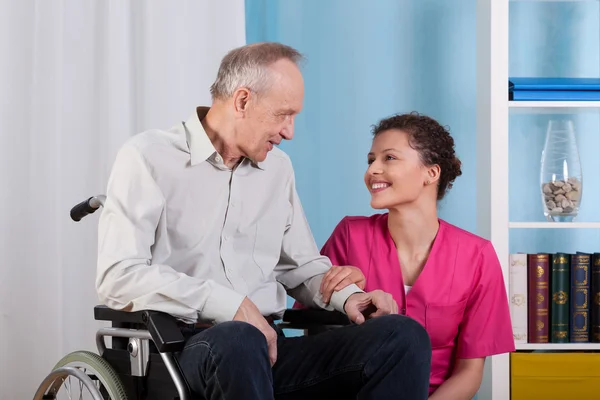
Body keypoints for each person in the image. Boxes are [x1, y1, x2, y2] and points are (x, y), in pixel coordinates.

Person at [96, 42, 432, 399]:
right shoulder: (148, 157)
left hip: (267, 347)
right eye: (283, 115)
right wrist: (229, 305)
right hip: (180, 351)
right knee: (238, 338)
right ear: (243, 101)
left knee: (402, 335)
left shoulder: (277, 169)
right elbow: (118, 275)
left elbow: (299, 267)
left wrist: (350, 299)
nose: (289, 132)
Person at [308, 112, 516, 399]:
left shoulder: (477, 256)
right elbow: (315, 331)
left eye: (389, 158)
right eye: (371, 160)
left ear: (431, 173)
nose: (373, 170)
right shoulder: (349, 235)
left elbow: (469, 372)